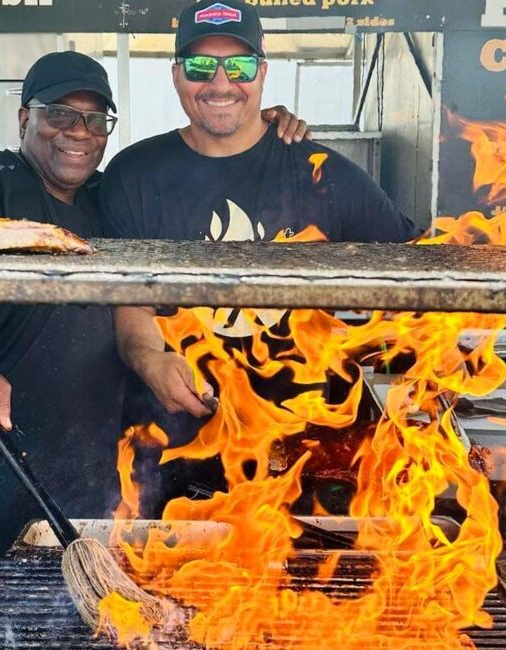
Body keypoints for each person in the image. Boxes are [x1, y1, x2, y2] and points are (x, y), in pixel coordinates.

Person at [0, 50, 311, 553]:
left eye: (95, 119)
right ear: (24, 119)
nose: (78, 132)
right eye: (59, 114)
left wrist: (261, 131)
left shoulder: (109, 200)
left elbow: (138, 298)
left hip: (73, 478)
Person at [99, 0, 423, 514]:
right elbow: (130, 304)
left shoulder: (322, 173)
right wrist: (151, 359)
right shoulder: (133, 176)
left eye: (241, 65)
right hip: (176, 451)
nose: (221, 82)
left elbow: (416, 273)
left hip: (303, 451)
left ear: (264, 73)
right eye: (202, 66)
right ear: (177, 75)